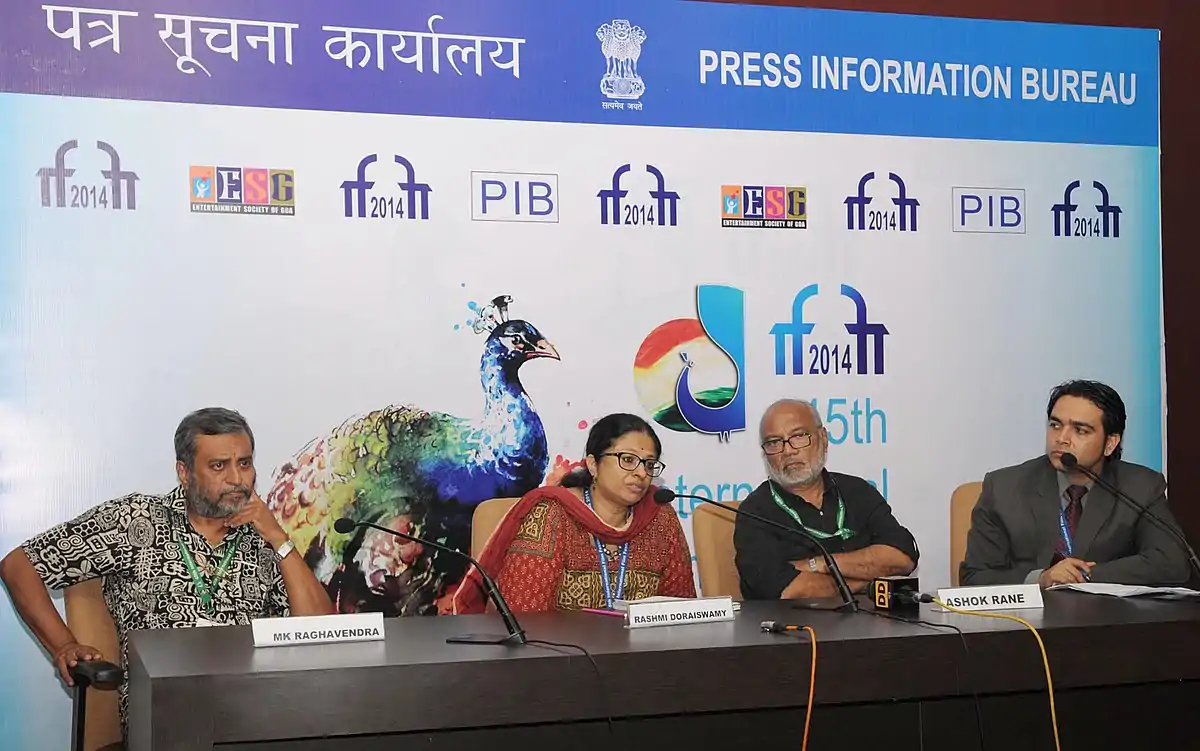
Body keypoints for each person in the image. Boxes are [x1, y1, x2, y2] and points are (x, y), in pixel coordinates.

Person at [0, 407, 333, 743]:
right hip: (166, 715)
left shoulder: (262, 536)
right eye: (219, 466)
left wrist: (278, 538)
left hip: (253, 711)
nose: (237, 479)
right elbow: (18, 566)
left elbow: (319, 633)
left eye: (244, 463)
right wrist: (64, 646)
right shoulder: (136, 520)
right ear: (184, 472)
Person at [452, 413, 696, 613]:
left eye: (649, 464)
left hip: (644, 660)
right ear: (593, 464)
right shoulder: (552, 515)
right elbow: (524, 614)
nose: (641, 473)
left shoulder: (660, 517)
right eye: (628, 460)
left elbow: (682, 608)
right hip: (561, 660)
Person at [960, 380, 1190, 588]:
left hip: (1110, 624)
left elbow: (1171, 563)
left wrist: (1082, 576)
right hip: (1027, 627)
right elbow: (975, 577)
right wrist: (1041, 578)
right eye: (1055, 425)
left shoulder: (1140, 487)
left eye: (1080, 430)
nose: (1061, 438)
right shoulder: (1003, 488)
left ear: (1110, 443)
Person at [734, 399, 918, 601]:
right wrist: (869, 582)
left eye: (798, 436)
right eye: (774, 442)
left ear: (823, 437)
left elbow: (903, 558)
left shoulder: (857, 491)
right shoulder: (754, 513)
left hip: (875, 625)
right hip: (797, 628)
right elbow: (789, 591)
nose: (788, 450)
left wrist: (819, 564)